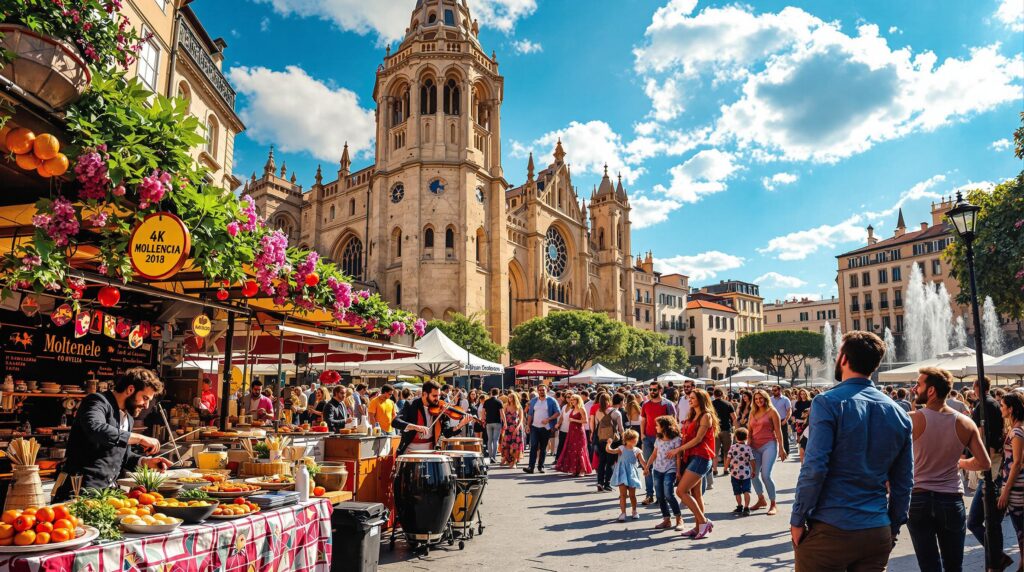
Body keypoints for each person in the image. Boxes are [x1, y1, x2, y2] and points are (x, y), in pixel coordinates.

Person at [791, 331, 913, 572]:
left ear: (843, 359)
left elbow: (815, 467)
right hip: (876, 528)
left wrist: (798, 518)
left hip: (831, 527)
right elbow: (904, 483)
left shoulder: (827, 402)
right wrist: (893, 527)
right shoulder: (899, 413)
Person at [907, 367, 991, 572]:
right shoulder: (965, 422)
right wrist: (960, 463)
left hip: (918, 498)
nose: (914, 388)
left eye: (919, 384)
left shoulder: (911, 419)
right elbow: (984, 463)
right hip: (950, 499)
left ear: (932, 390)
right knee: (954, 565)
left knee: (928, 565)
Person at [54, 368, 171, 500]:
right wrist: (139, 438)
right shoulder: (97, 401)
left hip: (108, 494)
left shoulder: (129, 417)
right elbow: (96, 429)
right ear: (130, 389)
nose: (146, 405)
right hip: (79, 492)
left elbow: (123, 456)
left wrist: (145, 461)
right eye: (145, 398)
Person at [967, 375, 1008, 569]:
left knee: (974, 521)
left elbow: (984, 436)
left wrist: (968, 461)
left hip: (990, 469)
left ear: (976, 387)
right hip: (995, 467)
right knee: (994, 522)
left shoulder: (982, 406)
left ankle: (996, 557)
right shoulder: (992, 403)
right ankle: (996, 559)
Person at [669, 388, 718, 540]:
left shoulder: (706, 416)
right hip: (692, 457)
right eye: (689, 398)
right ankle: (698, 527)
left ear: (701, 400)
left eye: (693, 398)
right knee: (696, 494)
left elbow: (698, 439)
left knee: (681, 491)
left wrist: (679, 449)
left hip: (701, 457)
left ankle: (704, 522)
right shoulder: (693, 414)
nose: (690, 400)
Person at [393, 380, 473, 454]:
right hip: (410, 450)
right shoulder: (411, 405)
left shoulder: (441, 408)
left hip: (431, 451)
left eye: (439, 395)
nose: (437, 399)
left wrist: (460, 425)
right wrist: (415, 427)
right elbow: (395, 422)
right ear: (424, 394)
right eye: (434, 396)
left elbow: (447, 433)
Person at [748, 389, 786, 515]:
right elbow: (749, 431)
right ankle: (761, 499)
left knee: (766, 475)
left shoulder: (772, 411)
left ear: (765, 398)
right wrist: (746, 446)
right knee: (753, 474)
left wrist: (782, 448)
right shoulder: (752, 412)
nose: (758, 401)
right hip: (754, 446)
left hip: (769, 445)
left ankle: (773, 504)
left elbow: (778, 431)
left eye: (761, 398)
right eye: (756, 399)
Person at [643, 415, 683, 530]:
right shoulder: (658, 439)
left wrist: (678, 472)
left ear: (665, 427)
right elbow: (654, 454)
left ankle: (679, 518)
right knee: (660, 496)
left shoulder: (676, 439)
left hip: (670, 469)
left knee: (668, 494)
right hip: (657, 469)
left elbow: (678, 457)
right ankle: (666, 519)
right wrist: (647, 466)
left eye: (658, 425)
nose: (656, 427)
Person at [999, 392, 1024, 569]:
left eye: (1002, 405)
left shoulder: (1016, 431)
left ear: (1011, 409)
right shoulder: (1017, 428)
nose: (1001, 408)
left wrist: (1006, 491)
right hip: (1017, 485)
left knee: (1021, 531)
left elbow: (1017, 463)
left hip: (1016, 488)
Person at [640, 383, 675, 505]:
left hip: (663, 440)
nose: (652, 391)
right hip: (648, 438)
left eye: (654, 389)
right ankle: (649, 495)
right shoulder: (645, 404)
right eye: (650, 390)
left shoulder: (667, 404)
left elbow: (672, 421)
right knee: (647, 466)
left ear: (660, 390)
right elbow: (643, 420)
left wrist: (669, 438)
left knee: (662, 467)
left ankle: (662, 496)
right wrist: (642, 434)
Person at [606, 429, 646, 522]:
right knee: (623, 495)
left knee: (632, 495)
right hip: (622, 473)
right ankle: (623, 513)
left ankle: (634, 511)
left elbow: (642, 461)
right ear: (626, 440)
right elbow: (610, 450)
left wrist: (646, 468)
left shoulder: (637, 450)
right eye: (632, 439)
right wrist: (608, 443)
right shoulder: (621, 448)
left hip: (632, 475)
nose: (634, 441)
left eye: (635, 440)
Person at [524, 385, 560, 474]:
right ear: (537, 391)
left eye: (543, 390)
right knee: (533, 447)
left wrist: (548, 419)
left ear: (546, 390)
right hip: (534, 427)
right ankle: (531, 467)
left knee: (543, 448)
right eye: (539, 390)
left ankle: (541, 467)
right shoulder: (533, 401)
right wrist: (528, 425)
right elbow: (530, 414)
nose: (541, 391)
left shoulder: (552, 400)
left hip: (546, 428)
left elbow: (558, 412)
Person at [555, 395, 593, 477]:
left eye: (573, 400)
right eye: (571, 400)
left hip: (579, 432)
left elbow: (585, 421)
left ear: (578, 400)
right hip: (571, 431)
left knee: (580, 450)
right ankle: (575, 469)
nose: (571, 401)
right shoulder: (573, 409)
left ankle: (582, 470)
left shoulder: (582, 408)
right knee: (572, 449)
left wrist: (574, 420)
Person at [593, 393, 624, 492]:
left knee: (602, 462)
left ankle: (599, 482)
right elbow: (620, 428)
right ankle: (607, 484)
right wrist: (623, 438)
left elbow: (597, 425)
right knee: (610, 462)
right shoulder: (616, 412)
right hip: (612, 440)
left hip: (601, 439)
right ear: (609, 401)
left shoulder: (597, 412)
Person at [727, 427, 756, 517]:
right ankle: (746, 508)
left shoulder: (732, 447)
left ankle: (739, 507)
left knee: (737, 492)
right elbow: (752, 460)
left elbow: (728, 458)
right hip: (746, 474)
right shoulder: (748, 448)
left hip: (734, 473)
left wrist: (726, 467)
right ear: (747, 437)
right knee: (746, 491)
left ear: (735, 437)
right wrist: (753, 470)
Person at [711, 388, 736, 479]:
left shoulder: (711, 404)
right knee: (727, 451)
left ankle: (714, 469)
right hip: (726, 429)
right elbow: (734, 418)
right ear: (722, 394)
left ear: (714, 395)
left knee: (715, 451)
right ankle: (725, 469)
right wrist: (734, 428)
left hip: (715, 430)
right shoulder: (728, 404)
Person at [500, 392, 525, 468]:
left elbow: (521, 419)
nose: (510, 399)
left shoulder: (519, 407)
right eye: (509, 397)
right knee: (506, 445)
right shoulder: (506, 406)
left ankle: (514, 462)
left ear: (514, 398)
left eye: (511, 397)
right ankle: (507, 459)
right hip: (507, 428)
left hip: (516, 428)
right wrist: (504, 424)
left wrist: (517, 428)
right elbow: (502, 417)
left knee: (516, 446)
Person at [770, 385, 793, 456]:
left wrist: (785, 420)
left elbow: (789, 411)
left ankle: (786, 451)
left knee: (784, 436)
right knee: (772, 437)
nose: (773, 392)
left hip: (782, 420)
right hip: (771, 421)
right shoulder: (770, 399)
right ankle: (774, 452)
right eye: (772, 390)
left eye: (775, 390)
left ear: (779, 390)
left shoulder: (785, 399)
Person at [483, 388, 504, 463]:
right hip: (497, 422)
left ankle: (490, 456)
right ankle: (494, 457)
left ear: (491, 393)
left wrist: (483, 420)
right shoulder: (499, 401)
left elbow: (483, 412)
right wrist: (505, 422)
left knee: (489, 440)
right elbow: (502, 413)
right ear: (498, 393)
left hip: (488, 422)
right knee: (495, 440)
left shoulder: (486, 401)